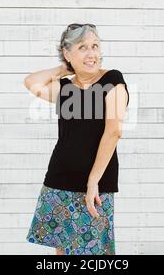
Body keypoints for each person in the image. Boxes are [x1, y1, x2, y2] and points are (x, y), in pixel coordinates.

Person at [23, 23, 129, 255]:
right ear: (67, 53)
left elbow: (113, 132)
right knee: (63, 251)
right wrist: (62, 70)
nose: (91, 54)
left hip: (95, 184)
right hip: (59, 178)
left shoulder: (112, 80)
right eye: (82, 47)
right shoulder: (65, 88)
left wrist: (93, 182)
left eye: (95, 46)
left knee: (93, 253)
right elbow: (32, 82)